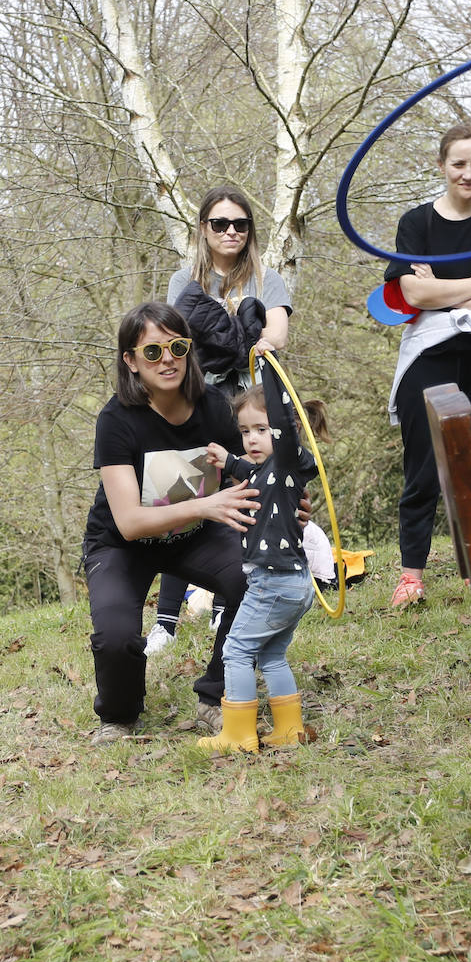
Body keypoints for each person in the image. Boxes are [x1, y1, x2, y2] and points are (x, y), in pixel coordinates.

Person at [82, 303, 259, 743]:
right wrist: (205, 506)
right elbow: (129, 522)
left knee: (254, 580)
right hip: (122, 545)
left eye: (177, 347)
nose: (167, 359)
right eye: (153, 351)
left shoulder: (213, 407)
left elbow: (246, 476)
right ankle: (120, 717)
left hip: (197, 534)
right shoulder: (116, 420)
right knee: (118, 637)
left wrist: (287, 501)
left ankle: (217, 697)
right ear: (131, 360)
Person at [383, 123, 471, 608]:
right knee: (423, 464)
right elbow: (413, 293)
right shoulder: (416, 224)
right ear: (441, 165)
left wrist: (448, 289)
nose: (469, 173)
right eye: (459, 164)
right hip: (431, 352)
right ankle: (411, 576)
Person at [145, 186, 293, 656]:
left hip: (250, 401)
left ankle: (227, 609)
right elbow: (171, 339)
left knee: (245, 495)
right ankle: (165, 622)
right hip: (195, 396)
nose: (231, 232)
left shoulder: (266, 279)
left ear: (250, 230)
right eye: (220, 223)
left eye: (240, 224)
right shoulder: (182, 280)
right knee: (184, 498)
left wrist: (261, 341)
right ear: (203, 229)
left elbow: (278, 330)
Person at [200, 361, 318, 752]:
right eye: (245, 431)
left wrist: (269, 365)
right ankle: (289, 730)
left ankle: (238, 734)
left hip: (274, 580)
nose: (251, 439)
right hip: (292, 582)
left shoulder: (288, 459)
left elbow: (283, 421)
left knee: (235, 651)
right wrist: (226, 460)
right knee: (271, 654)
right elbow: (250, 475)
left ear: (283, 432)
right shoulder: (267, 469)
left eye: (262, 430)